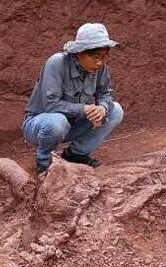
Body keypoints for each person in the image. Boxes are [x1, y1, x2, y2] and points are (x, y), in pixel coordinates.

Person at [22, 23, 124, 173]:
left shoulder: (100, 67)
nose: (99, 62)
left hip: (72, 124)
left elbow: (106, 93)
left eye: (103, 57)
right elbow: (51, 105)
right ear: (80, 52)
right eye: (96, 57)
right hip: (40, 125)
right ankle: (44, 162)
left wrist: (102, 108)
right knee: (57, 122)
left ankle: (75, 155)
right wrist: (84, 109)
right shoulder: (57, 63)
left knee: (115, 110)